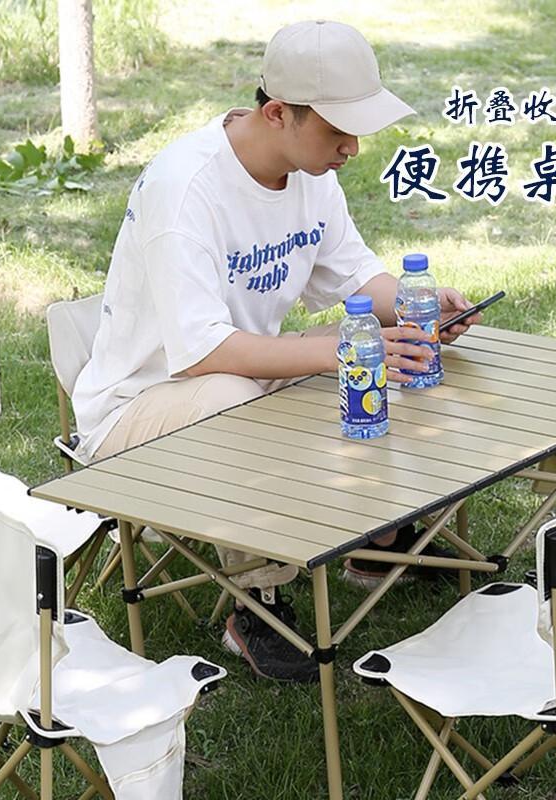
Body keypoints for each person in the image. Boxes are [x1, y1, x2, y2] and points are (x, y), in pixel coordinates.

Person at [71, 20, 481, 682]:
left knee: (381, 347)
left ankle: (379, 538)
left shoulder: (309, 172)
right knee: (256, 390)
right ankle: (256, 602)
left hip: (239, 371)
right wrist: (337, 352)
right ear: (277, 113)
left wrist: (419, 305)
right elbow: (202, 353)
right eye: (338, 130)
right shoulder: (186, 188)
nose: (353, 148)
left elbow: (358, 280)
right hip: (136, 409)